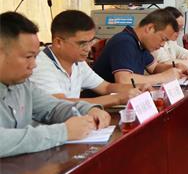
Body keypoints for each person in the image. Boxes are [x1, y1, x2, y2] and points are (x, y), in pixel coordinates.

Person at [1, 11, 110, 158]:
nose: (34, 65)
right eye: (28, 57)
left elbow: (53, 107)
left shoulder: (23, 85)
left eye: (35, 57)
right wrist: (63, 132)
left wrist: (90, 110)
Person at [29, 10, 141, 108]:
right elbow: (60, 104)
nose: (88, 48)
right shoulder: (40, 65)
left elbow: (106, 87)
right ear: (59, 42)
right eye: (82, 43)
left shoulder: (77, 62)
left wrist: (140, 89)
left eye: (91, 41)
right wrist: (117, 98)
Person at [92, 9, 188, 85]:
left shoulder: (140, 43)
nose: (163, 44)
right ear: (150, 28)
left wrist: (176, 67)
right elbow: (124, 80)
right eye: (163, 39)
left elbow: (154, 68)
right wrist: (164, 77)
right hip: (101, 102)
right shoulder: (124, 42)